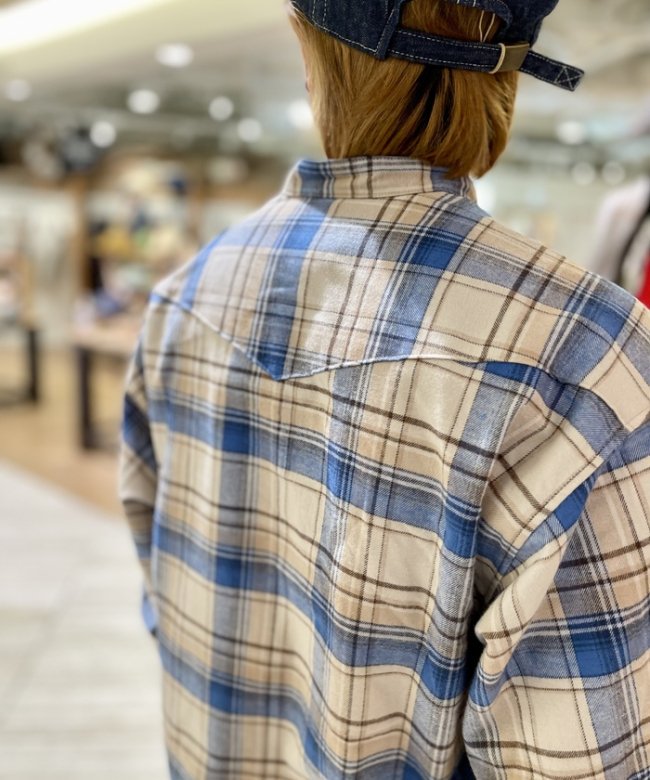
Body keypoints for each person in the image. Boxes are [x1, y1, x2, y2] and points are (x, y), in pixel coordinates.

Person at [119, 1, 650, 777]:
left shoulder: (185, 300)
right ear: (513, 72)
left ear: (309, 59)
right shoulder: (582, 356)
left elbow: (164, 598)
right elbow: (582, 756)